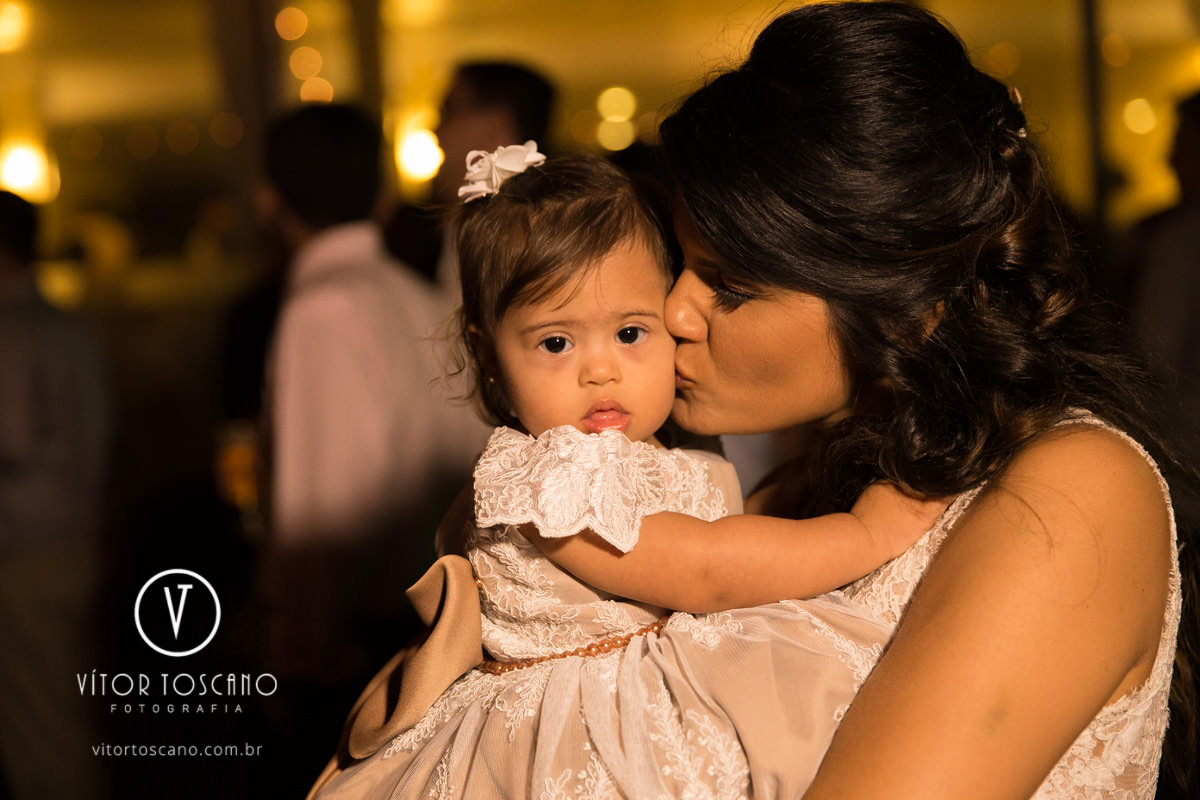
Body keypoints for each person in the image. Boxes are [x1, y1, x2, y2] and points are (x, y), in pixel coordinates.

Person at [654, 3, 1195, 798]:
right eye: (679, 261)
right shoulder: (804, 483)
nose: (672, 310)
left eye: (728, 286)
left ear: (908, 308)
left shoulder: (1075, 493)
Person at [311, 146, 943, 799]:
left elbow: (693, 544)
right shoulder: (548, 483)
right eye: (556, 342)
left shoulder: (655, 452)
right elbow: (705, 570)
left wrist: (779, 494)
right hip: (586, 729)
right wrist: (865, 533)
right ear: (488, 356)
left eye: (631, 333)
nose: (600, 369)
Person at [257, 103, 490, 790]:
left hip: (357, 639)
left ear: (269, 200)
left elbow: (322, 502)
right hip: (428, 614)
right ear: (382, 194)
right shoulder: (413, 294)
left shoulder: (322, 307)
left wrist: (298, 643)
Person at [0, 190, 109, 799]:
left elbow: (13, 443)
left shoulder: (14, 332)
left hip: (26, 546)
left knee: (39, 728)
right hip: (73, 538)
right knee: (59, 712)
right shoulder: (67, 326)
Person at [384, 60, 557, 290]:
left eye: (447, 111)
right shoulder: (463, 224)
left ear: (494, 126)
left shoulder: (525, 233)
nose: (435, 130)